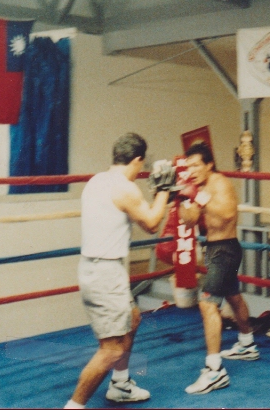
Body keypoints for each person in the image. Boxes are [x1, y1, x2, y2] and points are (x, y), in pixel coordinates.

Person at [64, 133, 174, 409]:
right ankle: (74, 406)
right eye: (141, 164)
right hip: (105, 274)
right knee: (111, 349)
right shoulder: (125, 188)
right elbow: (152, 224)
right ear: (137, 160)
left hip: (96, 268)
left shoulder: (96, 181)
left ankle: (120, 384)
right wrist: (164, 191)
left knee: (132, 319)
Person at [177, 142, 258, 395]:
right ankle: (247, 344)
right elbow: (189, 221)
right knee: (233, 296)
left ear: (209, 164)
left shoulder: (219, 182)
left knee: (207, 304)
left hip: (225, 250)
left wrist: (199, 197)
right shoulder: (200, 187)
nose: (191, 170)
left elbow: (227, 214)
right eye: (188, 166)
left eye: (196, 165)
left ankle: (214, 371)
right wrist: (179, 197)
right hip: (214, 250)